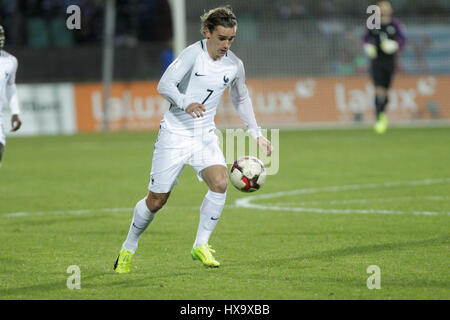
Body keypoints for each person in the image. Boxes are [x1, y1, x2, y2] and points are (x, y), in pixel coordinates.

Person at [114, 6, 272, 272]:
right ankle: (128, 248)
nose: (226, 44)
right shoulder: (192, 54)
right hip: (175, 133)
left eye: (231, 39)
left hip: (204, 135)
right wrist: (186, 101)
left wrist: (255, 131)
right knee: (156, 201)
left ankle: (201, 244)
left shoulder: (234, 65)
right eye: (221, 38)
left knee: (221, 183)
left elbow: (240, 97)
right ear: (207, 32)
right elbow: (164, 85)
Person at [363, 1, 406, 134]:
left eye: (387, 6)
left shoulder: (395, 24)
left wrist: (395, 45)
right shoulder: (373, 23)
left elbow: (403, 40)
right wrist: (368, 47)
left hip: (390, 61)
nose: (384, 9)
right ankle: (379, 119)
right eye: (382, 6)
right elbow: (365, 38)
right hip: (377, 61)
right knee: (378, 89)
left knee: (386, 92)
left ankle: (382, 114)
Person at [0, 25, 21, 167]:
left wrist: (15, 112)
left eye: (2, 35)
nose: (1, 38)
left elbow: (10, 86)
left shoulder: (10, 61)